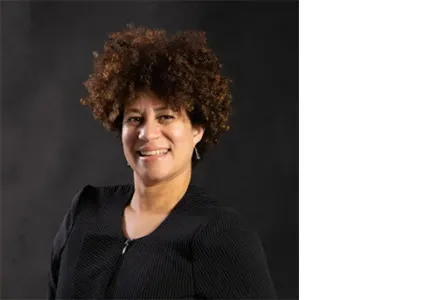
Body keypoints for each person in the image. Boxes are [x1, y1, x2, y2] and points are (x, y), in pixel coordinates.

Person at [47, 24, 277, 299]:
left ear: (197, 130)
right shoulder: (85, 212)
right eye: (134, 118)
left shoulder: (220, 235)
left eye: (165, 116)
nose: (148, 133)